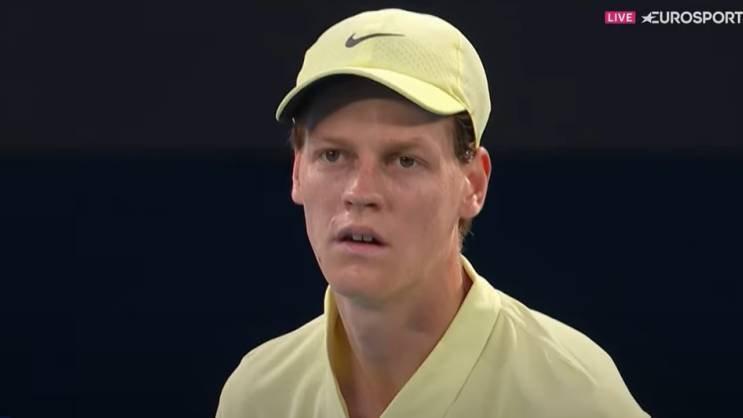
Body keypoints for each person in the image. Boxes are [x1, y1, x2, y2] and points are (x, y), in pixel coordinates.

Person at [216, 8, 650, 418]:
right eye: (333, 155)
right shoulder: (259, 394)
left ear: (473, 184)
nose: (360, 192)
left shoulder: (573, 396)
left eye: (404, 160)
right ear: (297, 172)